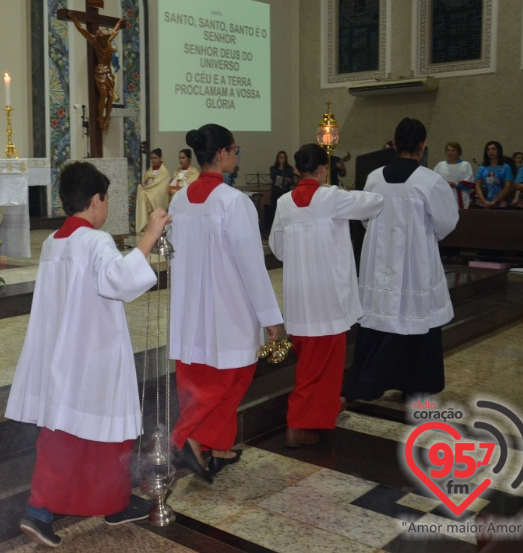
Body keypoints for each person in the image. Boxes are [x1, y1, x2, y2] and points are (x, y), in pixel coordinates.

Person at [6, 161, 171, 548]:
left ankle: (105, 502)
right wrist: (149, 236)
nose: (106, 205)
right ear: (96, 200)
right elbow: (122, 281)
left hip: (61, 350)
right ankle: (40, 511)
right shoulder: (94, 241)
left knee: (75, 434)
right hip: (92, 352)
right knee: (93, 435)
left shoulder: (53, 243)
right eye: (106, 199)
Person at [169, 124, 284, 483]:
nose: (236, 155)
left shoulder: (179, 200)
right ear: (221, 154)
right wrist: (270, 317)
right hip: (228, 307)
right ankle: (183, 438)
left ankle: (216, 444)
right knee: (228, 377)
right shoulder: (234, 202)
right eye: (236, 149)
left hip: (192, 309)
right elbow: (251, 264)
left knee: (203, 378)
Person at [270, 144, 383, 448]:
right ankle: (297, 424)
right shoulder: (332, 197)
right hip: (328, 298)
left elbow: (278, 249)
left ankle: (322, 413)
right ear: (322, 170)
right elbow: (374, 203)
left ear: (297, 170)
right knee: (320, 368)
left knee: (311, 361)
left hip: (298, 296)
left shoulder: (283, 203)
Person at [344, 118, 458, 402]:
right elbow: (447, 222)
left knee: (380, 319)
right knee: (417, 318)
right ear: (423, 146)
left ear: (394, 145)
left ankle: (369, 383)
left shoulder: (374, 178)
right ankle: (415, 387)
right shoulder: (430, 180)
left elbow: (367, 220)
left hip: (379, 263)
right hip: (416, 264)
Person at [68, 13, 124, 133]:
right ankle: (100, 117)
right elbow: (82, 30)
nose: (98, 36)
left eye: (101, 35)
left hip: (108, 71)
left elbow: (115, 31)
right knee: (103, 94)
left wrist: (119, 22)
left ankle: (107, 117)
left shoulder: (109, 41)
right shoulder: (95, 42)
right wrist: (74, 18)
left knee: (110, 95)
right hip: (100, 71)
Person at [135, 148, 170, 233]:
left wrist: (151, 191)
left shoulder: (164, 172)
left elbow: (162, 188)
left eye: (155, 158)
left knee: (152, 197)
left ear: (160, 158)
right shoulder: (149, 171)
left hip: (157, 196)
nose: (153, 160)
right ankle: (146, 227)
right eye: (152, 158)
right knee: (142, 195)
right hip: (148, 193)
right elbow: (144, 183)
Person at [433, 142, 475, 209]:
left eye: (453, 150)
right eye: (448, 150)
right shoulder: (440, 165)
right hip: (444, 198)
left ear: (458, 152)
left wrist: (456, 184)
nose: (450, 153)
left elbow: (470, 184)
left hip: (461, 199)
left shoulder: (465, 165)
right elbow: (433, 182)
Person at [474, 140, 514, 208]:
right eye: (488, 150)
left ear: (499, 151)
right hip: (484, 202)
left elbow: (508, 187)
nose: (490, 151)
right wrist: (484, 201)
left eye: (493, 149)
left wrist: (494, 202)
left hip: (501, 202)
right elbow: (478, 186)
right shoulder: (482, 167)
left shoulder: (506, 167)